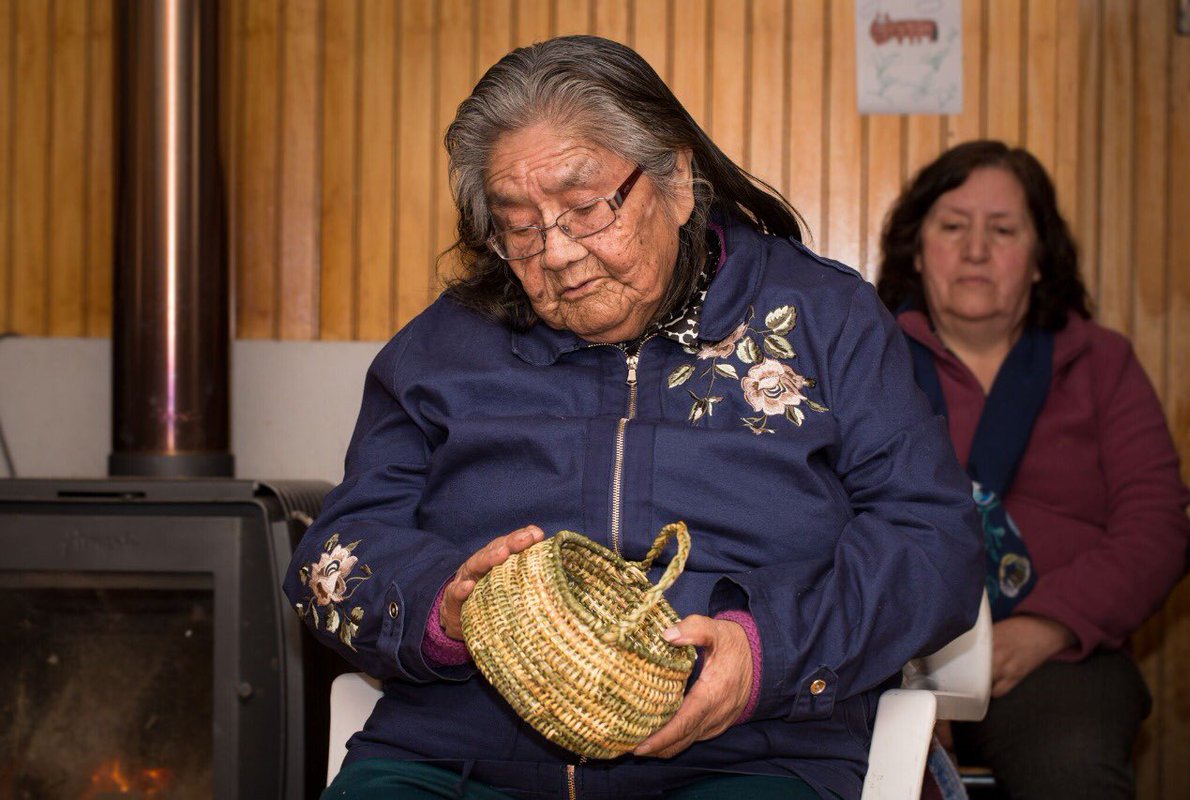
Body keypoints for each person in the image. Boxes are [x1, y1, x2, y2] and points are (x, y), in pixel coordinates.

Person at [288, 35, 983, 800]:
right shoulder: (444, 350)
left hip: (745, 754)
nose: (553, 253)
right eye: (519, 225)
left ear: (676, 180)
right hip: (459, 755)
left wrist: (765, 653)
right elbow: (335, 556)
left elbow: (934, 544)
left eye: (585, 210)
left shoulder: (823, 319)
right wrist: (440, 609)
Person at [877, 140, 1190, 799]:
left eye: (1003, 230)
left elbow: (1157, 527)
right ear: (915, 247)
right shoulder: (866, 358)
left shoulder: (1102, 364)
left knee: (1073, 765)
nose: (974, 250)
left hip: (1057, 656)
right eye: (953, 226)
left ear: (1041, 258)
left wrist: (1046, 628)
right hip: (885, 651)